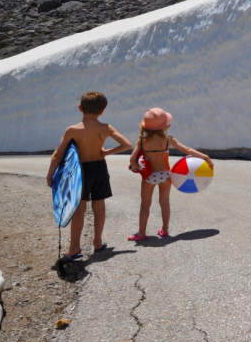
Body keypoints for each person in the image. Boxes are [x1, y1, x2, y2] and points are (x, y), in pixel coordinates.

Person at [47, 91, 132, 259]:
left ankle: (74, 247)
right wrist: (106, 152)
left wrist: (50, 175)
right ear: (102, 110)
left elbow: (58, 155)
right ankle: (98, 242)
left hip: (80, 171)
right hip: (100, 168)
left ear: (80, 108)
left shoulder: (72, 130)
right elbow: (127, 145)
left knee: (79, 209)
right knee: (99, 207)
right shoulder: (106, 128)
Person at [128, 108, 213, 241]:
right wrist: (205, 157)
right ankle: (164, 230)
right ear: (165, 125)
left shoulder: (142, 140)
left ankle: (141, 233)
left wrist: (138, 167)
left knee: (145, 204)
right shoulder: (168, 139)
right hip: (165, 175)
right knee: (164, 202)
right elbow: (187, 149)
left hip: (149, 176)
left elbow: (132, 160)